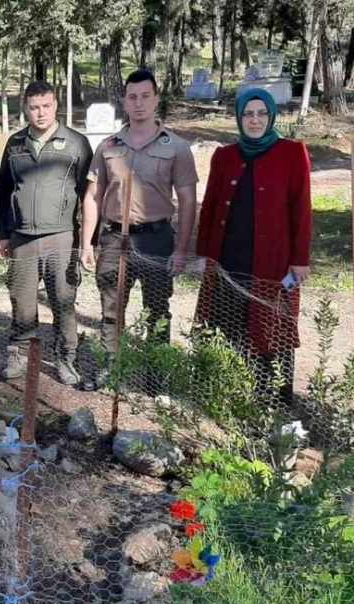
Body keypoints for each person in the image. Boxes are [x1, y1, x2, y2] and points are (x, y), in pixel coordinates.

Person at [81, 69, 198, 390]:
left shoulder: (176, 147)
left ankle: (154, 378)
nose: (139, 103)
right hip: (114, 238)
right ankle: (111, 369)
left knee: (157, 310)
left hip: (157, 239)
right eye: (133, 97)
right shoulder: (108, 146)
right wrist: (86, 243)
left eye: (146, 96)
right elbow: (93, 196)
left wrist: (182, 248)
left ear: (156, 99)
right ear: (125, 102)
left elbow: (188, 200)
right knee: (111, 310)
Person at [195, 88, 312, 403]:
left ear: (272, 116)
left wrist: (300, 259)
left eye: (261, 113)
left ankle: (273, 398)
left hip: (273, 261)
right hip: (229, 257)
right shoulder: (224, 156)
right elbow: (209, 207)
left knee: (272, 326)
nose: (255, 120)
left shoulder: (292, 152)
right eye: (248, 114)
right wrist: (204, 254)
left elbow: (301, 208)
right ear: (239, 118)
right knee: (226, 321)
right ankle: (224, 393)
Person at [0, 80, 94, 386]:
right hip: (22, 236)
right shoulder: (15, 145)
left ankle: (66, 359)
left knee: (63, 300)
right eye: (34, 107)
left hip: (61, 236)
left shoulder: (77, 143)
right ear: (26, 107)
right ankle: (20, 354)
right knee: (21, 300)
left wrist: (85, 241)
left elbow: (87, 194)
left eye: (46, 107)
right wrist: (2, 235)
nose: (40, 113)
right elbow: (4, 191)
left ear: (56, 106)